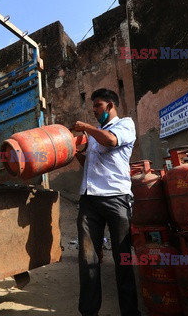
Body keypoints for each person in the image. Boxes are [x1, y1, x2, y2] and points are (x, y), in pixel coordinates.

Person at [73, 88, 140, 316]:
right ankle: (89, 312)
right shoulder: (95, 134)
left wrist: (86, 129)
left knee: (122, 259)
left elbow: (111, 142)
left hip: (116, 199)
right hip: (90, 200)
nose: (94, 111)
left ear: (110, 106)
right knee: (88, 259)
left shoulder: (125, 125)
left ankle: (130, 312)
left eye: (98, 106)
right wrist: (74, 153)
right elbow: (90, 166)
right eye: (93, 107)